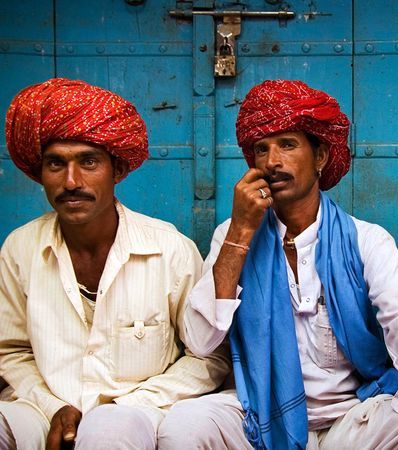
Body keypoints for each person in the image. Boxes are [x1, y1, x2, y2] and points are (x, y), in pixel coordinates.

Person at [183, 79, 398, 449]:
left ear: (320, 157)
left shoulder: (367, 240)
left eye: (287, 145)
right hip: (258, 411)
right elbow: (201, 340)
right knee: (185, 424)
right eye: (261, 149)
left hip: (355, 417)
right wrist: (240, 231)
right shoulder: (232, 234)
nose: (273, 162)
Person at [0, 78, 231, 450]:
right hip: (40, 408)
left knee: (109, 433)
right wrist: (54, 405)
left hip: (137, 409)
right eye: (55, 164)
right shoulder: (21, 248)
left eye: (88, 162)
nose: (71, 181)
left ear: (116, 170)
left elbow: (208, 358)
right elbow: (10, 351)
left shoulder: (169, 249)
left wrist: (124, 405)